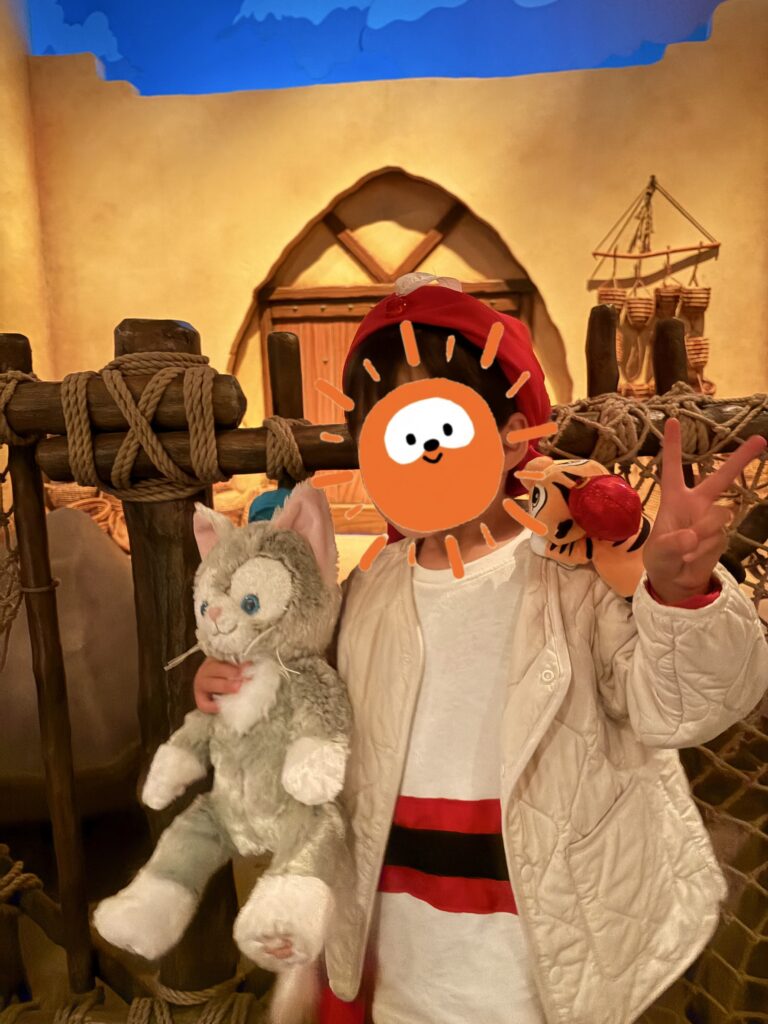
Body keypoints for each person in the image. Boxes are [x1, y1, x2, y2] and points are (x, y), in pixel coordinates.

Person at [194, 277, 768, 1024]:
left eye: (443, 423)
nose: (419, 453)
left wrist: (680, 596)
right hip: (404, 957)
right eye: (391, 432)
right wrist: (247, 693)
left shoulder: (576, 575)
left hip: (555, 956)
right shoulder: (369, 589)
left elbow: (681, 707)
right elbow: (321, 723)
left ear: (512, 435)